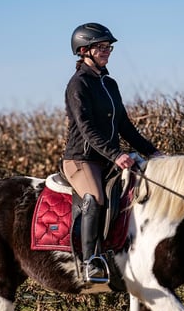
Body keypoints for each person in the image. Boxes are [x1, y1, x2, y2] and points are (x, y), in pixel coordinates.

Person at [62, 22, 163, 283]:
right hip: (81, 160)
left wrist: (153, 153)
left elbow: (124, 126)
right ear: (84, 50)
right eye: (101, 47)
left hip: (105, 159)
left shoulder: (110, 83)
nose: (107, 51)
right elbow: (86, 129)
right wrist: (116, 155)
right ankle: (89, 262)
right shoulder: (78, 84)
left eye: (108, 47)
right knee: (95, 198)